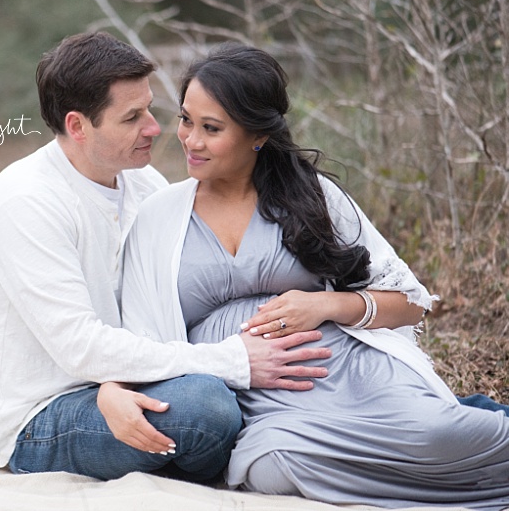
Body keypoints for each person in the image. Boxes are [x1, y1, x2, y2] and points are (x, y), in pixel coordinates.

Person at [121, 42, 509, 509]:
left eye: (212, 128)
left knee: (440, 432)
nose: (190, 139)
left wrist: (327, 304)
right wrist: (224, 359)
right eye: (186, 120)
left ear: (257, 135)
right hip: (259, 401)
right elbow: (140, 337)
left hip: (354, 371)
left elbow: (408, 300)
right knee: (275, 467)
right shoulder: (158, 216)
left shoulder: (312, 196)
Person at [0, 32, 333, 483]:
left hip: (133, 378)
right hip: (47, 411)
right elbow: (80, 348)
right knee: (206, 409)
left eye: (151, 109)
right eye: (132, 117)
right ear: (78, 126)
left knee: (292, 386)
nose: (155, 128)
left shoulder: (145, 184)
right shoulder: (26, 201)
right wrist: (231, 360)